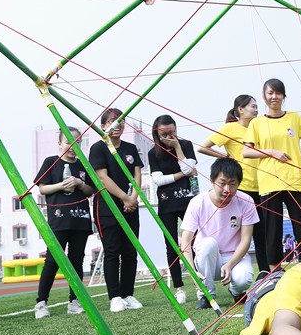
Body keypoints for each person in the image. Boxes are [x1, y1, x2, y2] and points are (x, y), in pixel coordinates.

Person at [244, 79, 301, 269]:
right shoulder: (257, 123)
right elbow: (247, 151)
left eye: (278, 93)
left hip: (295, 180)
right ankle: (274, 272)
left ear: (284, 96)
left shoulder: (295, 118)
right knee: (272, 230)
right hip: (269, 182)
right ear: (264, 96)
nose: (274, 97)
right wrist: (271, 152)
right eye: (270, 93)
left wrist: (297, 156)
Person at [197, 95, 269, 277]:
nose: (256, 109)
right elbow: (202, 147)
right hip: (241, 188)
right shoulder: (230, 128)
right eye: (252, 106)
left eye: (256, 106)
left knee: (262, 233)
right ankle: (232, 272)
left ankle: (264, 272)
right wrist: (226, 158)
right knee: (239, 234)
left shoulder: (258, 127)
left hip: (262, 186)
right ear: (240, 109)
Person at [179, 158, 259, 309]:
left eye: (232, 184)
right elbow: (185, 242)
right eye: (222, 183)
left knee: (244, 279)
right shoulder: (198, 202)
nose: (227, 189)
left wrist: (229, 264)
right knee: (209, 243)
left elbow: (246, 240)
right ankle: (206, 294)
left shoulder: (246, 201)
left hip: (234, 257)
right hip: (207, 257)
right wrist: (192, 272)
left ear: (239, 184)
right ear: (212, 181)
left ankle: (236, 291)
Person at [33, 128, 95, 319]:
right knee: (52, 260)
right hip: (59, 219)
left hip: (80, 218)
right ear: (60, 143)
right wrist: (61, 185)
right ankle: (41, 302)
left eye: (76, 142)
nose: (71, 146)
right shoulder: (51, 162)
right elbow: (42, 189)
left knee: (77, 260)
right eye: (67, 142)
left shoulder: (83, 165)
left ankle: (74, 301)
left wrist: (79, 182)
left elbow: (90, 190)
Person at [89, 108, 144, 313]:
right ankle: (115, 296)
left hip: (131, 206)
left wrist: (134, 198)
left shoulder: (130, 147)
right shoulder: (98, 148)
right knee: (113, 251)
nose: (117, 125)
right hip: (107, 207)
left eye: (120, 121)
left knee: (130, 252)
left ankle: (128, 293)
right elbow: (102, 178)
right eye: (112, 121)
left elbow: (137, 174)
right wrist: (125, 197)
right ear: (103, 126)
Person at [148, 114, 199, 304]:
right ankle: (179, 288)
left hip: (188, 203)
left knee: (193, 244)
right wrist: (180, 174)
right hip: (166, 204)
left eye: (173, 132)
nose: (169, 136)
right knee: (171, 247)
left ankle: (198, 283)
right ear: (157, 133)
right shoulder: (153, 153)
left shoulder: (185, 145)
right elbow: (158, 180)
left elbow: (188, 168)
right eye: (165, 134)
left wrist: (177, 147)